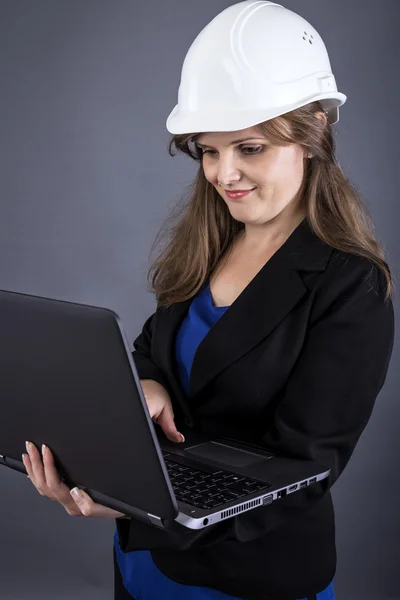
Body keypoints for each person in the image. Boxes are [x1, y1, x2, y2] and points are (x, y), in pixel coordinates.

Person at [22, 2, 395, 600]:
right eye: (208, 151)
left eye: (249, 148)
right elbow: (152, 350)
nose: (225, 174)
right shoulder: (208, 243)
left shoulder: (351, 286)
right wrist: (147, 388)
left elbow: (305, 467)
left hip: (247, 577)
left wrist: (150, 507)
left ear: (315, 131)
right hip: (142, 563)